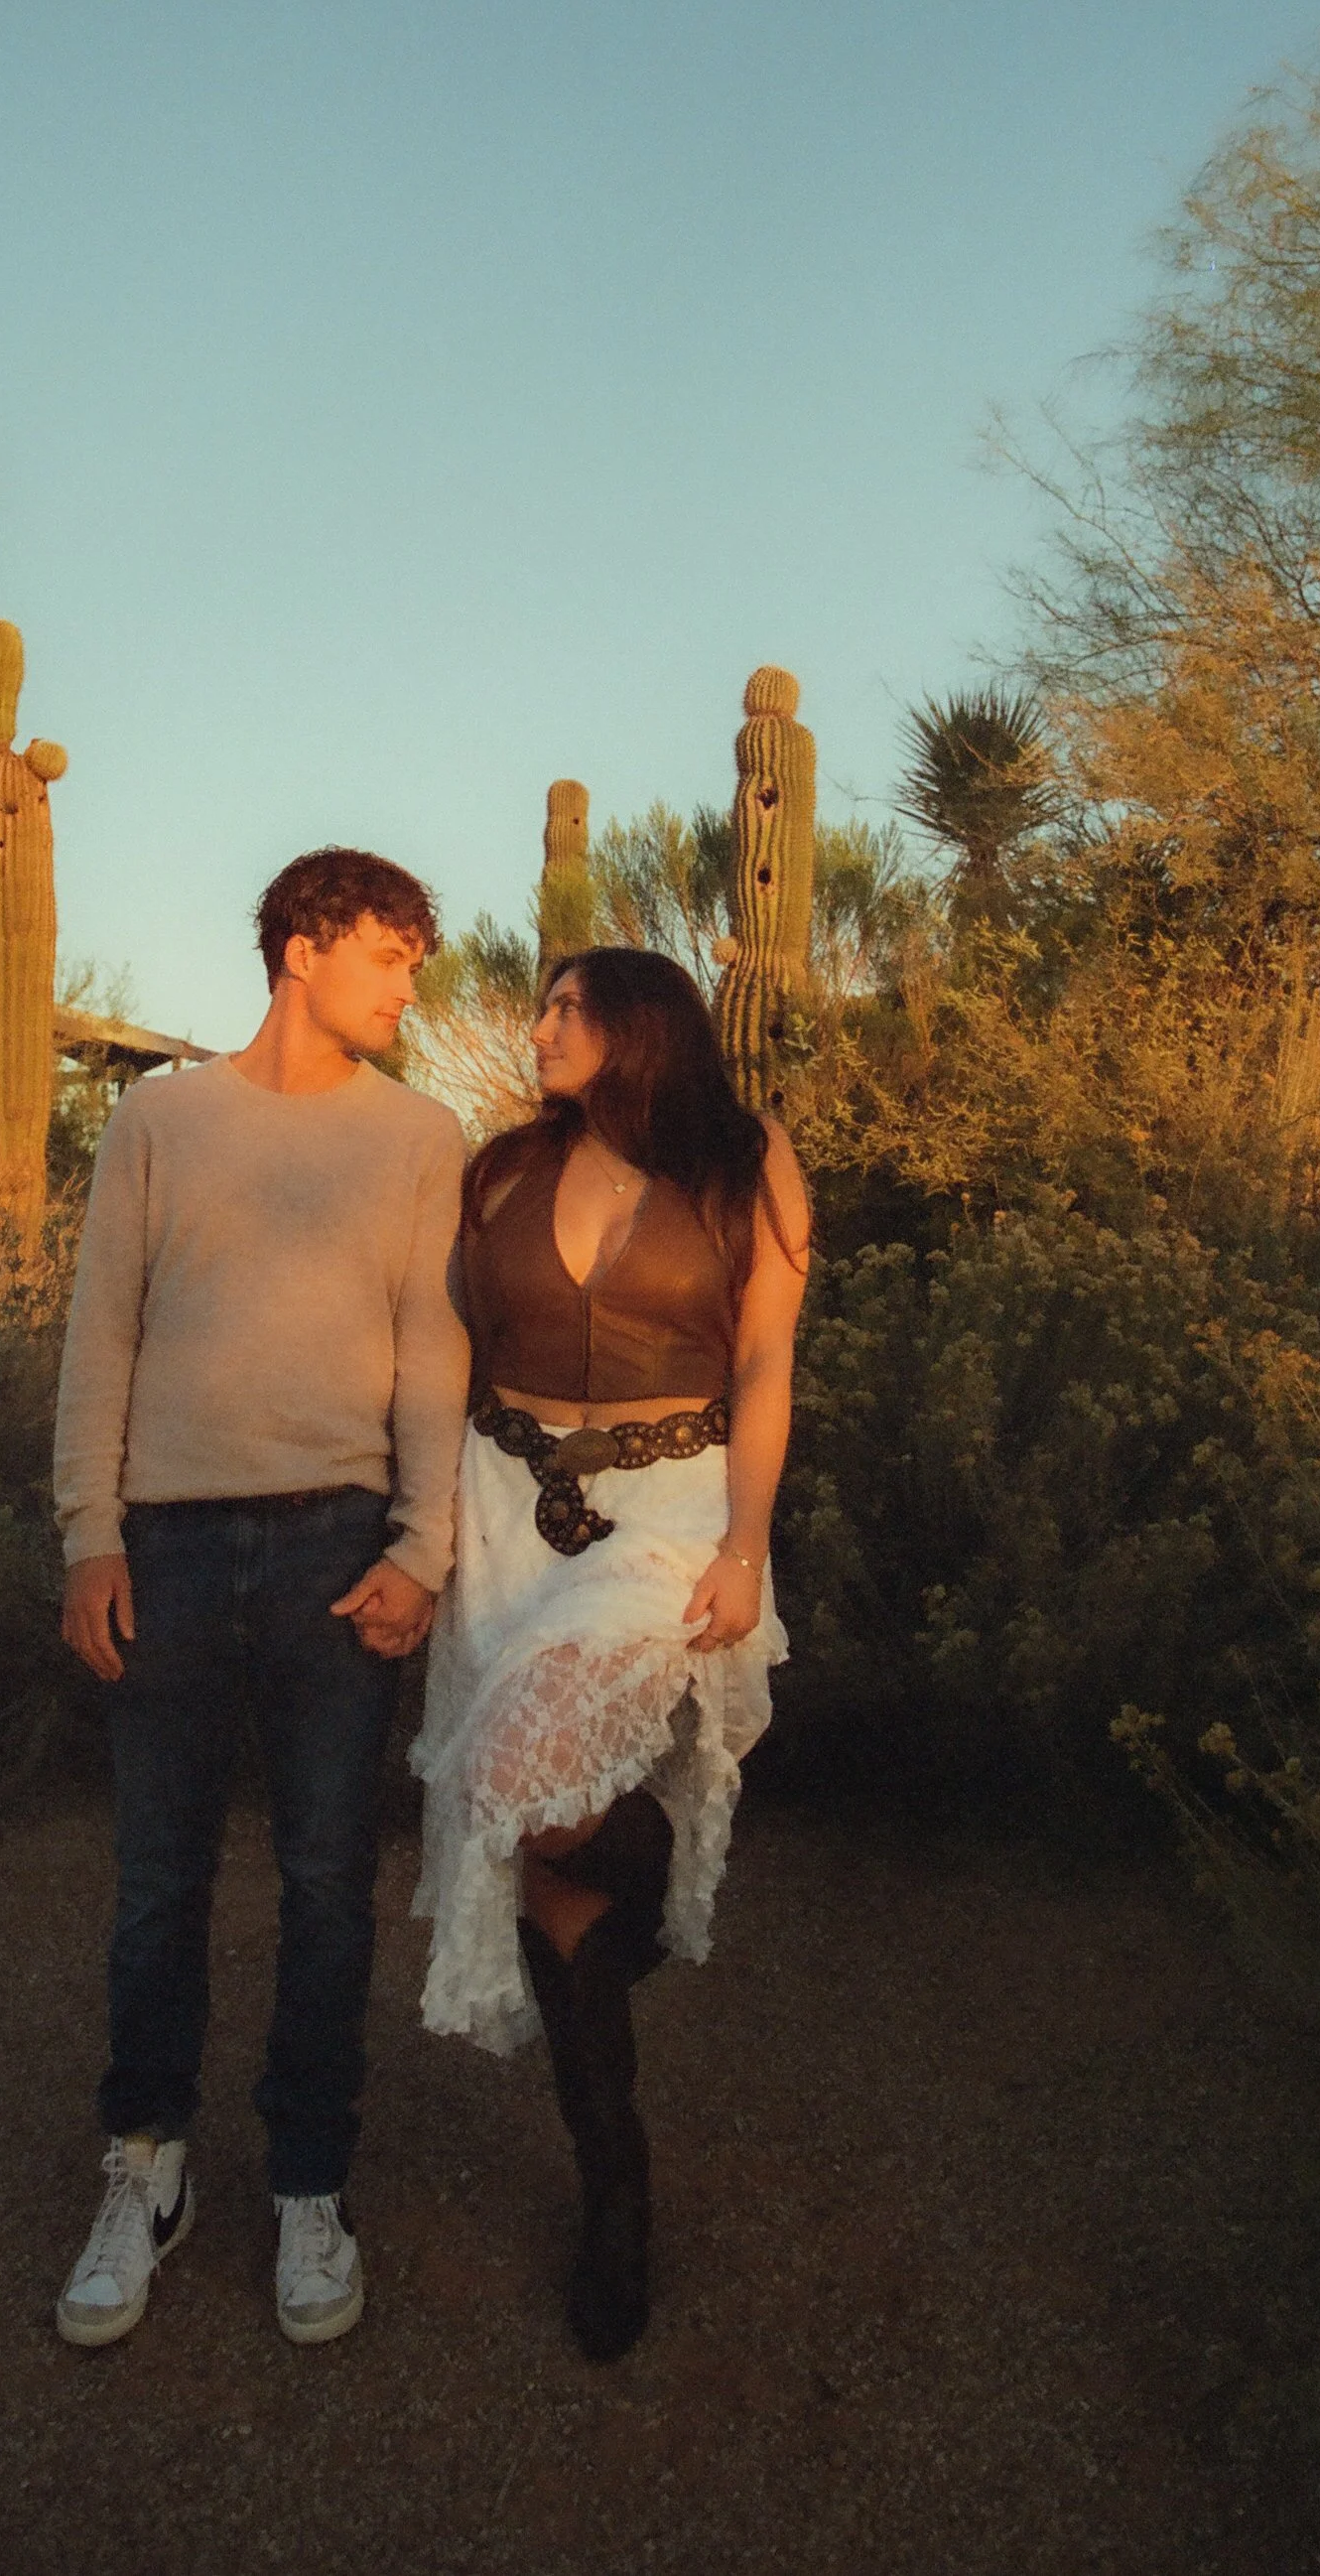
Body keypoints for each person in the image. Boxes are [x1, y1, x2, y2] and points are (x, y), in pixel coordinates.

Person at [53, 848, 469, 2352]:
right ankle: (145, 2167)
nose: (404, 985)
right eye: (386, 957)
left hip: (334, 1546)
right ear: (301, 949)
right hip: (163, 1543)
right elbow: (101, 1334)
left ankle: (308, 2179)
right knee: (157, 1880)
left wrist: (423, 1548)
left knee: (323, 1883)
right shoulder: (159, 1118)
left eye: (414, 962)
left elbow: (435, 1355)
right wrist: (87, 1535)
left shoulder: (424, 1138)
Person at [411, 945, 808, 2362]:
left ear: (638, 1025)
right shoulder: (500, 1172)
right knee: (539, 1856)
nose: (536, 1027)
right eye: (539, 1005)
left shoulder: (744, 1162)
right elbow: (432, 1352)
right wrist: (416, 1528)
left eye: (565, 1007)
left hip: (669, 1517)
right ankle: (613, 2187)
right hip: (505, 1519)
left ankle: (638, 1910)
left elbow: (763, 1362)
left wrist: (746, 1541)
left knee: (535, 1784)